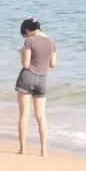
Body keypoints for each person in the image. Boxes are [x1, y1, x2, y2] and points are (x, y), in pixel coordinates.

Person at [15, 17, 57, 156]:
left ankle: (22, 149)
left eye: (25, 34)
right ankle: (44, 151)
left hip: (27, 77)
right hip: (42, 80)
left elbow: (26, 64)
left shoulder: (29, 41)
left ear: (28, 30)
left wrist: (21, 53)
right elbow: (53, 64)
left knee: (24, 115)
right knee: (41, 116)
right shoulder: (51, 41)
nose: (25, 37)